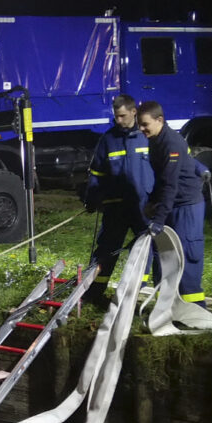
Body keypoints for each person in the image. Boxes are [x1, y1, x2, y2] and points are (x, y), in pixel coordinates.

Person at [83, 94, 154, 305]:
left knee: (143, 248)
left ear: (134, 112)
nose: (119, 121)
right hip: (116, 206)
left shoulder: (147, 136)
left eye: (122, 116)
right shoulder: (108, 139)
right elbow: (97, 173)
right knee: (106, 248)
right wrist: (92, 197)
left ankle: (136, 293)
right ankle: (94, 292)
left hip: (144, 207)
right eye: (116, 117)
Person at [137, 101, 206, 306]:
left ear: (160, 120)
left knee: (185, 257)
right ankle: (165, 308)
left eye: (145, 124)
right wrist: (152, 203)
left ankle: (195, 312)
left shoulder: (171, 143)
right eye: (140, 125)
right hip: (170, 204)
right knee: (164, 257)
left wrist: (159, 218)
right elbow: (160, 180)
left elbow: (170, 184)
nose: (141, 129)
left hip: (186, 206)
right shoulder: (156, 140)